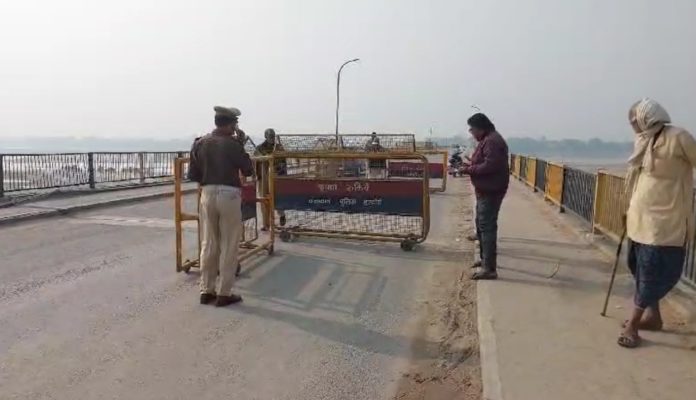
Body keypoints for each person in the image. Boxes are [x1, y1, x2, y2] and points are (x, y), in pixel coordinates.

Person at [619, 98, 696, 348]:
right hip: (639, 216)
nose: (633, 125)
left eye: (635, 120)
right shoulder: (643, 140)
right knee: (638, 267)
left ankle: (633, 325)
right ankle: (653, 317)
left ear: (647, 117)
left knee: (653, 269)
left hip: (666, 220)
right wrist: (625, 208)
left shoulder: (679, 137)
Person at [188, 106, 253, 307]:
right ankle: (224, 293)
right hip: (229, 195)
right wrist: (241, 145)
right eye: (235, 123)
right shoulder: (233, 144)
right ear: (231, 124)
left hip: (207, 193)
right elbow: (248, 169)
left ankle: (206, 290)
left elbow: (193, 175)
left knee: (209, 242)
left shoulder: (200, 143)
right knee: (229, 244)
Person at [460, 113, 509, 280]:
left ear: (481, 128)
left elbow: (490, 165)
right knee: (481, 226)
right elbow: (485, 163)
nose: (471, 132)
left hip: (490, 191)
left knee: (487, 228)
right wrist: (471, 165)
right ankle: (484, 260)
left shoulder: (492, 141)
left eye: (472, 129)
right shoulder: (488, 140)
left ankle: (489, 268)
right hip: (486, 189)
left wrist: (469, 169)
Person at [256, 128, 287, 230]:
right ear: (266, 137)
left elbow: (283, 162)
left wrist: (283, 176)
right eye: (270, 136)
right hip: (264, 177)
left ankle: (281, 215)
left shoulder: (278, 148)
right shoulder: (260, 148)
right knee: (264, 200)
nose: (272, 138)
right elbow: (255, 161)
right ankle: (266, 224)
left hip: (276, 175)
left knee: (278, 198)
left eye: (273, 136)